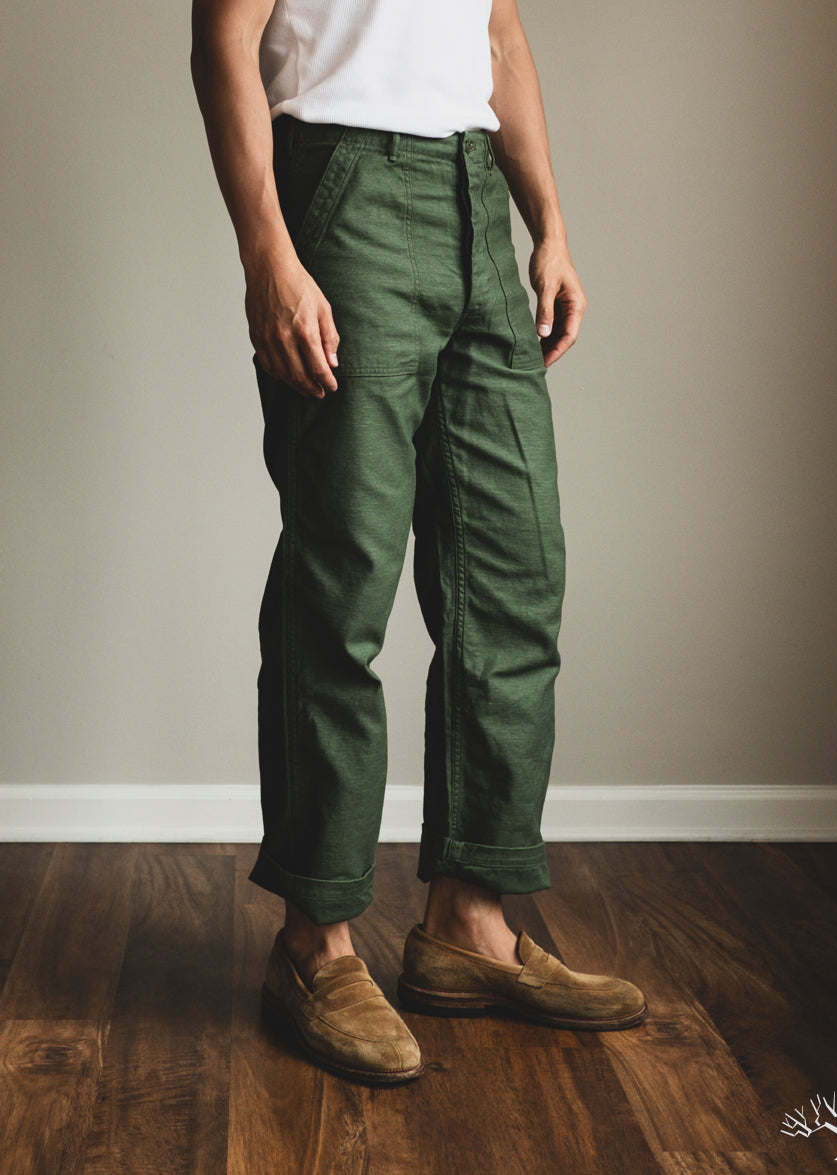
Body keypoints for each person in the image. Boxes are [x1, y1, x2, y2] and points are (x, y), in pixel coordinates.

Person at [191, 0, 647, 1085]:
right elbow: (223, 39)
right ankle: (315, 941)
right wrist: (267, 252)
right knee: (341, 581)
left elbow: (498, 34)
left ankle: (468, 924)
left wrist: (550, 226)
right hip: (343, 185)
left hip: (475, 197)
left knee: (511, 580)